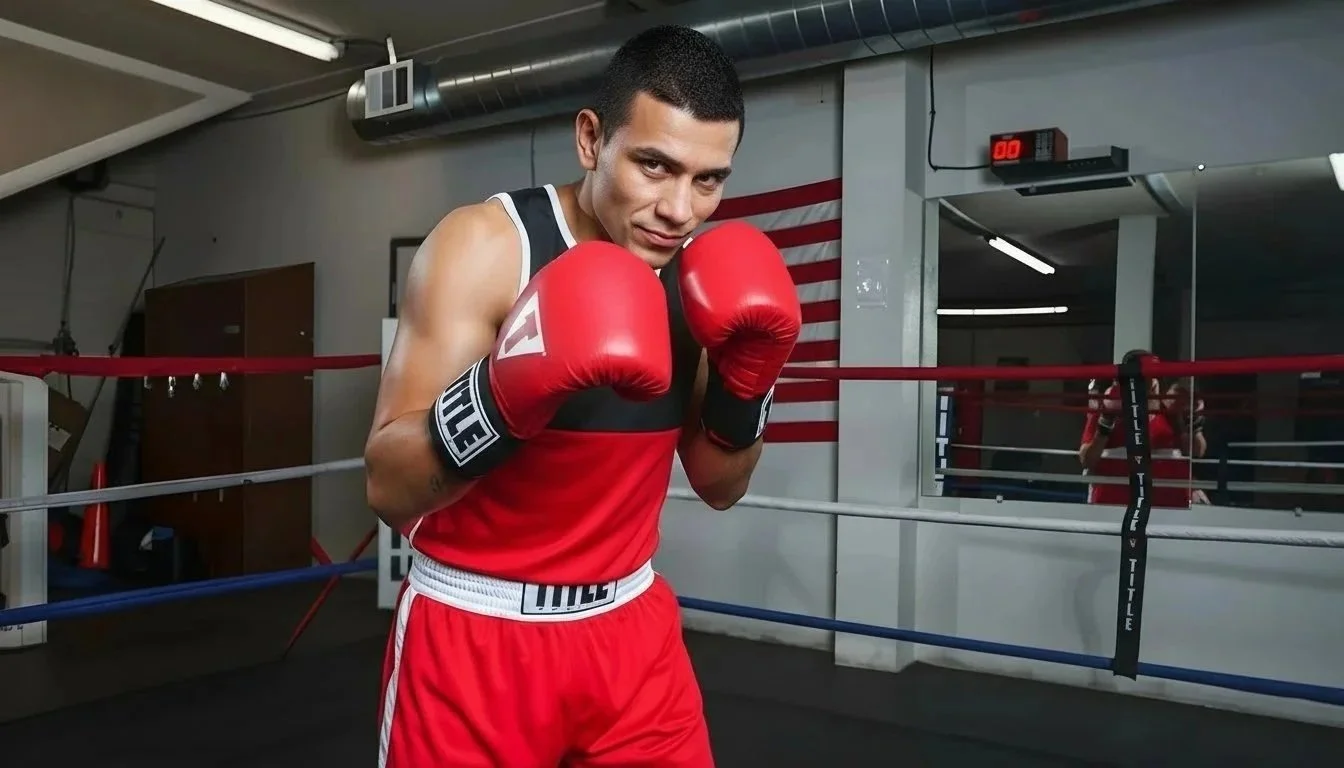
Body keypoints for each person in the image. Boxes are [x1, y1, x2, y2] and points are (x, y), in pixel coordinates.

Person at [363, 25, 802, 768]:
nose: (679, 209)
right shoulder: (488, 248)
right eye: (654, 166)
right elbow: (387, 486)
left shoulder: (694, 279)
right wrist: (506, 395)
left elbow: (720, 484)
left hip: (630, 631)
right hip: (478, 632)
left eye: (708, 179)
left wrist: (746, 381)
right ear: (591, 140)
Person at [1079, 350, 1208, 508]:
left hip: (1170, 502)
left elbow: (1197, 451)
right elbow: (1087, 460)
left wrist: (1191, 419)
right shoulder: (1107, 408)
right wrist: (1107, 421)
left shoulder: (1168, 409)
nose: (1150, 382)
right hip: (1117, 502)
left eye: (1152, 376)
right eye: (1143, 377)